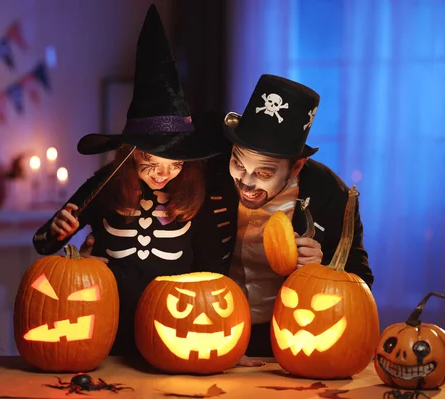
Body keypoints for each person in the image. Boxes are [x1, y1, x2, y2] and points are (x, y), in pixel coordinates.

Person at [32, 5, 224, 357]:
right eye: (151, 161)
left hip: (177, 325)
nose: (164, 173)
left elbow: (214, 269)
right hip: (105, 321)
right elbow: (42, 244)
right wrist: (58, 231)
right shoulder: (106, 185)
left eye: (176, 163)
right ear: (130, 154)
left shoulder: (195, 196)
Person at [202, 74, 374, 365]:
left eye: (264, 173)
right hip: (213, 329)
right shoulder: (208, 178)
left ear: (296, 167)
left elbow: (361, 281)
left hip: (291, 336)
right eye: (238, 163)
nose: (245, 181)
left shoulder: (332, 195)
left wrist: (326, 269)